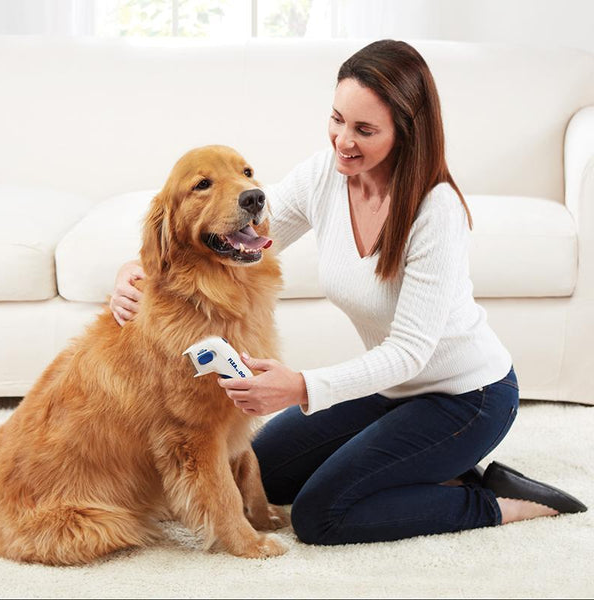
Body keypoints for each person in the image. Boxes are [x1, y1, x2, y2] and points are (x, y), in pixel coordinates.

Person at [111, 40, 586, 545]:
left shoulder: (436, 210)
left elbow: (410, 353)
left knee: (322, 516)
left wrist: (301, 388)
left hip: (466, 397)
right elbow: (239, 238)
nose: (342, 141)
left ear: (407, 131)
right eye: (337, 119)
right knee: (261, 473)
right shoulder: (325, 176)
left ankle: (498, 501)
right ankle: (433, 471)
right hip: (389, 393)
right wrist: (136, 266)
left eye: (364, 130)